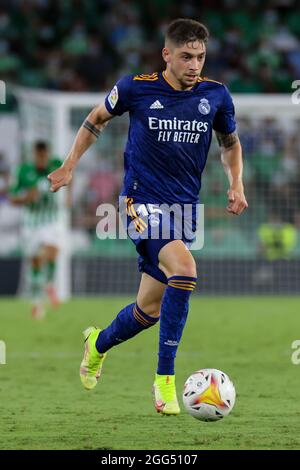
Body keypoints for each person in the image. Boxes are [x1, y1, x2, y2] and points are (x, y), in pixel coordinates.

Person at [48, 18, 248, 415]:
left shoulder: (217, 96)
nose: (195, 65)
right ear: (167, 55)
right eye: (187, 57)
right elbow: (95, 120)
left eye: (201, 57)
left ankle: (97, 344)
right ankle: (165, 381)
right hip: (140, 202)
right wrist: (70, 164)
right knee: (185, 270)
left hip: (184, 209)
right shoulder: (135, 88)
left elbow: (230, 143)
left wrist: (236, 183)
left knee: (149, 311)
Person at [10, 141, 62, 318]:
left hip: (51, 219)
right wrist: (26, 197)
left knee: (52, 250)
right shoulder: (23, 171)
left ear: (47, 154)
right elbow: (12, 197)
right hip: (31, 222)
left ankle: (49, 284)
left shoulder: (55, 165)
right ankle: (37, 302)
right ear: (34, 154)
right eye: (38, 155)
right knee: (35, 263)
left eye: (43, 155)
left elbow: (70, 174)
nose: (41, 159)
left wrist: (68, 195)